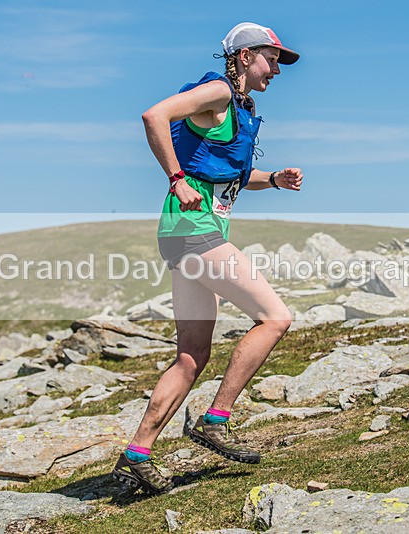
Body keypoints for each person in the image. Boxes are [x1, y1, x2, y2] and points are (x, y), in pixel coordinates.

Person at [111, 22, 303, 494]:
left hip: (185, 234)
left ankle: (137, 452)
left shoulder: (240, 106)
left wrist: (273, 179)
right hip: (192, 231)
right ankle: (215, 420)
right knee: (275, 318)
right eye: (271, 58)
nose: (276, 69)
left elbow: (227, 174)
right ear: (243, 56)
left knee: (192, 357)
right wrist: (175, 178)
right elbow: (153, 115)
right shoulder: (217, 91)